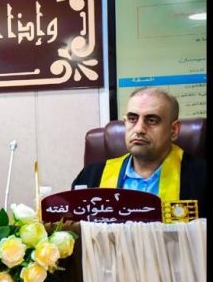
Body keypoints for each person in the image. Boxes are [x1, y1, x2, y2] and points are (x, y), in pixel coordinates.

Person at [72, 87, 206, 216]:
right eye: (132, 119)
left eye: (152, 120)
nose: (139, 129)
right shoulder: (91, 176)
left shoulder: (201, 178)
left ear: (174, 130)